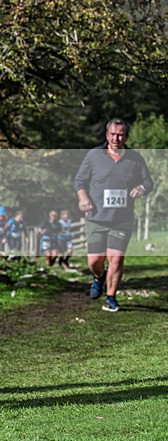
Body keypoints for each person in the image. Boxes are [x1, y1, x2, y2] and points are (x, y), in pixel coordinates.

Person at [74, 118, 152, 312]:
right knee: (95, 261)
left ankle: (110, 298)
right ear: (107, 135)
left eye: (120, 135)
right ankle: (99, 277)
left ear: (126, 137)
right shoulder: (94, 155)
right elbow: (79, 181)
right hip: (96, 218)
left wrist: (142, 188)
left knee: (116, 259)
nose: (116, 138)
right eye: (113, 134)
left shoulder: (135, 159)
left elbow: (148, 182)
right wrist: (83, 198)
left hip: (121, 220)